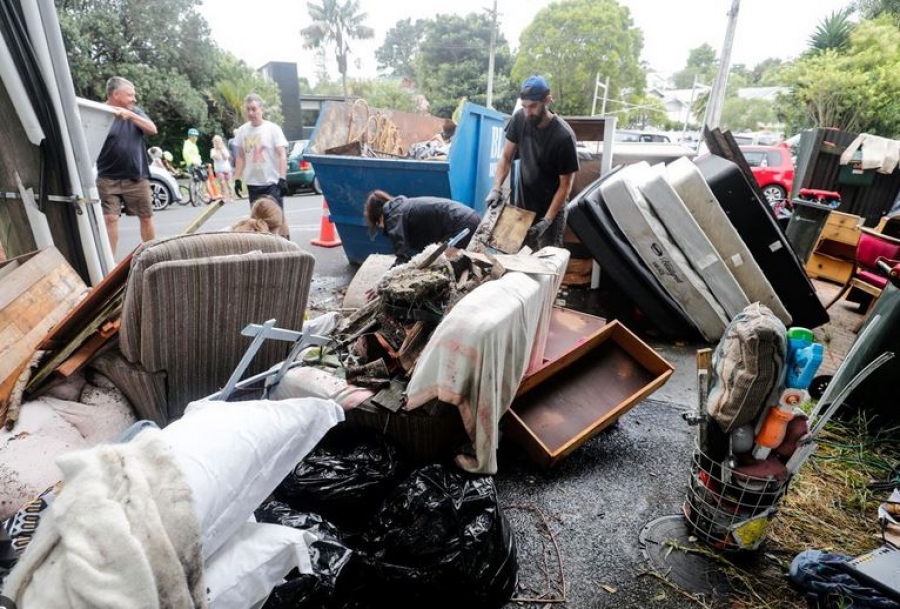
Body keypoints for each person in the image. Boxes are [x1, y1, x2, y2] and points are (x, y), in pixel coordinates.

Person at [485, 75, 579, 250]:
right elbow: (506, 157)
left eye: (533, 106)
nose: (528, 112)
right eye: (524, 106)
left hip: (550, 211)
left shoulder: (564, 137)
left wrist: (546, 222)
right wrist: (496, 188)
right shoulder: (520, 119)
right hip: (523, 206)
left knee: (545, 265)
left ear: (547, 100)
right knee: (513, 258)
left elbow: (565, 186)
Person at [96, 76, 157, 255]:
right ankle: (110, 265)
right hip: (108, 178)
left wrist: (130, 115)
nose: (134, 99)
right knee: (110, 219)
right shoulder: (99, 113)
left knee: (146, 218)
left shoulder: (135, 111)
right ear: (116, 94)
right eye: (130, 95)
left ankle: (153, 256)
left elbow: (152, 129)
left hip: (136, 177)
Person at [363, 189, 480, 265]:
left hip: (462, 225)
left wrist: (382, 284)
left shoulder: (394, 217)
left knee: (439, 265)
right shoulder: (400, 208)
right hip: (468, 218)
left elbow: (403, 256)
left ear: (378, 220)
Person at [233, 93, 288, 210]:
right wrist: (237, 178)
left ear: (261, 109)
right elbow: (240, 157)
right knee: (258, 223)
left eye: (254, 109)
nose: (250, 113)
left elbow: (282, 155)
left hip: (272, 183)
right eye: (248, 109)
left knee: (275, 221)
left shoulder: (273, 129)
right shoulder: (242, 131)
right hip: (253, 184)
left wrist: (282, 178)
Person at [210, 135, 234, 202]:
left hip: (227, 169)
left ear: (221, 142)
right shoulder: (212, 150)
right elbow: (217, 158)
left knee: (229, 184)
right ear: (214, 142)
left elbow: (226, 157)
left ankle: (231, 197)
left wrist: (221, 150)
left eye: (219, 141)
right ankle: (224, 197)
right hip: (219, 170)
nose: (218, 143)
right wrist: (218, 150)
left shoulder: (224, 149)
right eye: (216, 141)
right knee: (222, 183)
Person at [227, 131, 244, 198]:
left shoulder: (242, 141)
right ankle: (234, 192)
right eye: (235, 134)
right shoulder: (231, 141)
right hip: (233, 161)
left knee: (240, 177)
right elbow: (230, 150)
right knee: (234, 177)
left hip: (240, 161)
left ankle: (238, 190)